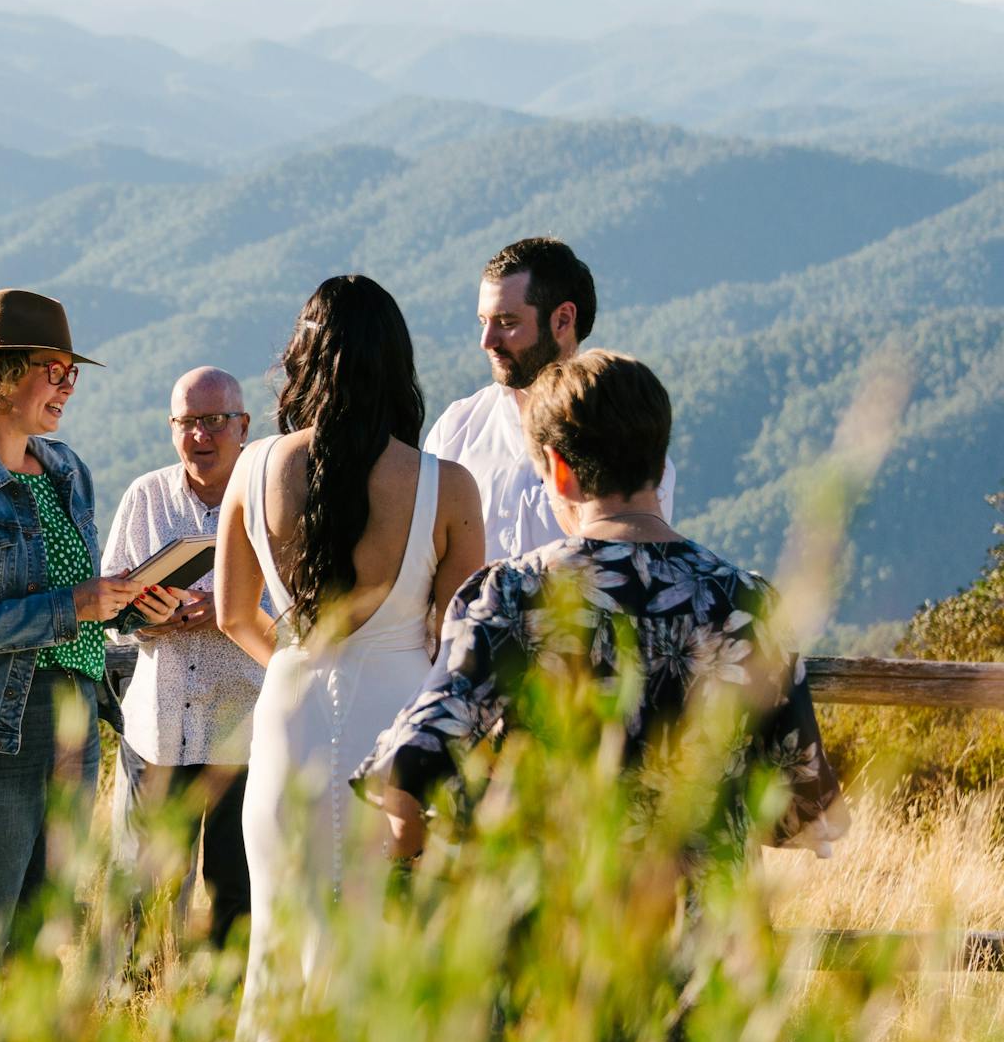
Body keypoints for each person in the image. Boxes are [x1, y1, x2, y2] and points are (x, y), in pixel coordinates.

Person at [355, 351, 846, 867]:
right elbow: (810, 810)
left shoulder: (513, 594)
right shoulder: (746, 601)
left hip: (558, 927)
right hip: (711, 936)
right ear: (658, 463)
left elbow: (411, 768)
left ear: (561, 472)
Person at [215, 276, 483, 1042]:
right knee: (390, 942)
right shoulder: (447, 485)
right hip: (402, 718)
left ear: (302, 357)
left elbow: (234, 614)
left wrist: (298, 662)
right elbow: (462, 636)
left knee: (281, 936)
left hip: (290, 715)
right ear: (397, 364)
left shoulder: (254, 468)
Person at [0, 288, 181, 943]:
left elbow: (75, 600)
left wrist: (129, 607)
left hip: (73, 721)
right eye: (56, 369)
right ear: (1, 371)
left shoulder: (66, 469)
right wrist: (73, 606)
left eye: (70, 372)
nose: (69, 386)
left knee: (38, 940)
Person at [104, 367, 262, 954]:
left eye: (214, 420)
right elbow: (109, 611)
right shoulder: (144, 496)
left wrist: (227, 611)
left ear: (243, 426)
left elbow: (300, 609)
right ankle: (136, 1012)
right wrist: (144, 614)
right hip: (158, 731)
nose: (200, 434)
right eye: (186, 422)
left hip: (242, 730)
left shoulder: (274, 499)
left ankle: (223, 1025)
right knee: (143, 890)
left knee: (237, 894)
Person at [427, 237, 677, 561]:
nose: (486, 341)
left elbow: (640, 566)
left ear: (562, 320)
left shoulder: (626, 435)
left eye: (507, 323)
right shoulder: (456, 430)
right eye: (483, 322)